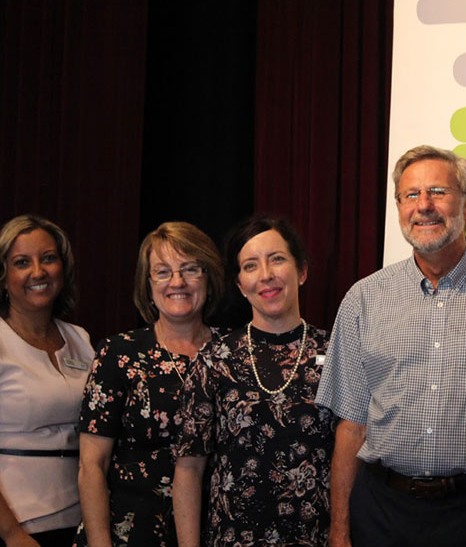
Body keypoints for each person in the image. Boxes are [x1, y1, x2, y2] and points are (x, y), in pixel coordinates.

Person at [315, 145, 466, 547]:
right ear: (398, 206)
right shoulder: (363, 299)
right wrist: (340, 530)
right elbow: (351, 426)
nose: (424, 206)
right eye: (411, 195)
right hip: (382, 511)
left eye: (438, 191)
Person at [173, 216, 332, 547]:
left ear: (301, 271)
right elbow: (188, 471)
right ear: (240, 284)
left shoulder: (336, 354)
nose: (266, 275)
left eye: (277, 259)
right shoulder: (215, 360)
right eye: (250, 265)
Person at [73, 222, 225, 547]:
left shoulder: (233, 354)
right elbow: (91, 466)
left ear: (209, 279)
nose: (177, 282)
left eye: (190, 269)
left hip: (214, 533)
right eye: (163, 272)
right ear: (148, 283)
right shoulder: (118, 353)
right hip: (128, 533)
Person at [0, 215, 94, 547]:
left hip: (81, 520)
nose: (38, 272)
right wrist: (12, 535)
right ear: (4, 275)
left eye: (49, 258)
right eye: (22, 262)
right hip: (16, 528)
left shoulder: (80, 339)